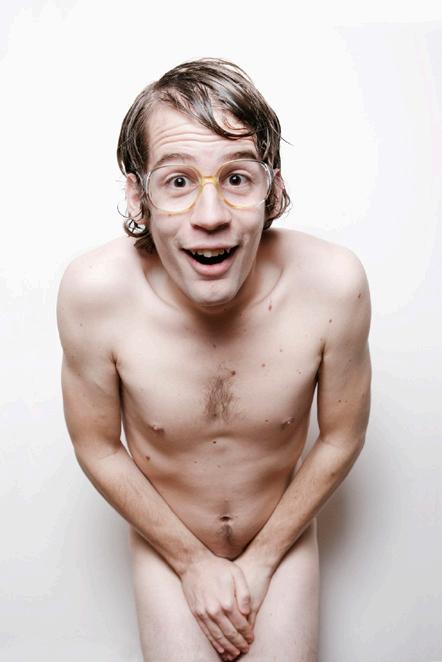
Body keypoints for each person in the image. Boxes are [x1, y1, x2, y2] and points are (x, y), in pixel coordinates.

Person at [56, 58, 371, 662]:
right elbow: (96, 444)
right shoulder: (95, 293)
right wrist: (191, 562)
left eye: (237, 178)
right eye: (178, 181)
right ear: (138, 195)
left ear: (272, 188)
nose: (210, 216)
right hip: (167, 543)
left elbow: (342, 435)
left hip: (280, 538)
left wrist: (262, 559)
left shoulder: (333, 285)